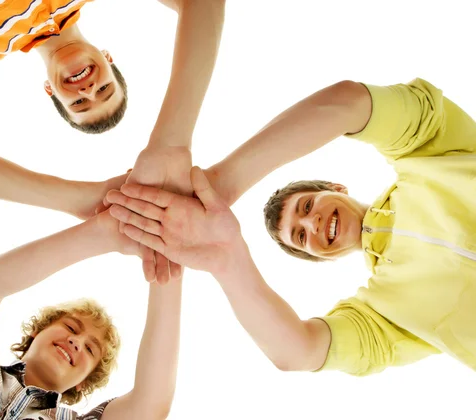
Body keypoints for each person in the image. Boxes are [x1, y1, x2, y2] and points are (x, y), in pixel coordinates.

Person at [105, 78, 476, 375]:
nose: (311, 224)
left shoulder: (425, 155)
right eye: (301, 236)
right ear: (319, 257)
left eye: (306, 206)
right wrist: (227, 259)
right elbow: (297, 352)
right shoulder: (383, 313)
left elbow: (350, 103)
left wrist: (220, 183)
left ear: (336, 188)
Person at [0, 0, 225, 231]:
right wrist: (172, 141)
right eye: (104, 89)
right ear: (108, 57)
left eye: (79, 105)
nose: (88, 91)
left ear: (50, 90)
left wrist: (81, 199)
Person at [0, 210, 183, 419]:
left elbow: (151, 405)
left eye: (90, 349)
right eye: (71, 327)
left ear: (83, 382)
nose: (76, 342)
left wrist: (167, 254)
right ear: (35, 334)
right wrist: (105, 232)